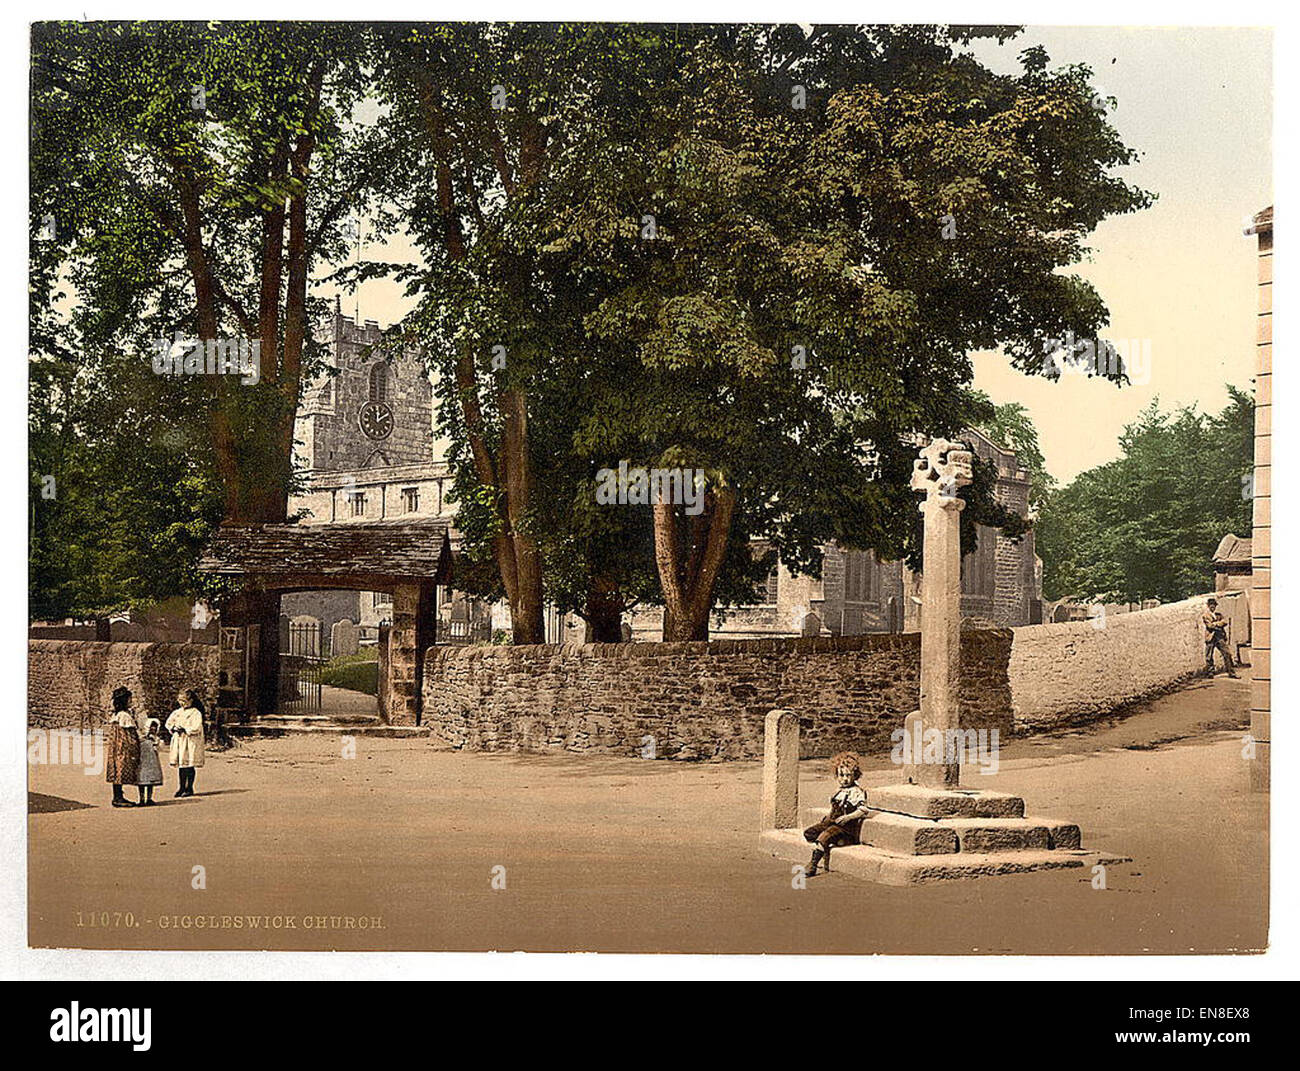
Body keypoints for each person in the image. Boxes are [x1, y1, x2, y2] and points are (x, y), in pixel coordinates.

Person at [802, 751, 870, 876]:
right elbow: (834, 808)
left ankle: (813, 864)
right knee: (809, 833)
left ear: (855, 776)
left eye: (848, 776)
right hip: (832, 822)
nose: (844, 779)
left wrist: (848, 817)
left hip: (845, 827)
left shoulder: (856, 792)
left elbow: (863, 810)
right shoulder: (838, 791)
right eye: (841, 775)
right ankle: (830, 842)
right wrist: (828, 817)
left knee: (824, 837)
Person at [104, 686, 141, 808]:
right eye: (129, 700)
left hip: (116, 746)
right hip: (123, 746)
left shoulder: (117, 715)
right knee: (121, 768)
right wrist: (135, 746)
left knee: (117, 769)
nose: (131, 702)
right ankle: (118, 798)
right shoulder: (125, 716)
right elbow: (129, 734)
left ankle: (118, 795)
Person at [165, 690, 206, 797]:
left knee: (189, 765)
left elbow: (196, 727)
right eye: (180, 701)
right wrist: (173, 728)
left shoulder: (195, 713)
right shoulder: (177, 712)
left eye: (184, 701)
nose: (181, 703)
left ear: (191, 700)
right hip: (179, 740)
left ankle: (189, 788)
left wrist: (185, 729)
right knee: (181, 765)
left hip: (189, 741)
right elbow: (169, 722)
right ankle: (181, 787)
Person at [1202, 598, 1238, 678]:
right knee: (1209, 656)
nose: (1212, 607)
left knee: (1227, 653)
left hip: (1219, 636)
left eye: (1214, 605)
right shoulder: (1205, 615)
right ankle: (1210, 672)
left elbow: (1225, 622)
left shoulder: (1218, 614)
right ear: (1208, 606)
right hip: (1210, 637)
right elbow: (1209, 626)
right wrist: (1219, 624)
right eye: (1211, 605)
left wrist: (1215, 624)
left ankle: (1231, 672)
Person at [135, 717, 164, 805]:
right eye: (151, 727)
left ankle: (149, 798)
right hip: (142, 762)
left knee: (151, 780)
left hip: (152, 762)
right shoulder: (141, 738)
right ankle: (141, 799)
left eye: (155, 727)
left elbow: (160, 748)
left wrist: (156, 743)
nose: (153, 729)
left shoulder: (156, 739)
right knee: (142, 780)